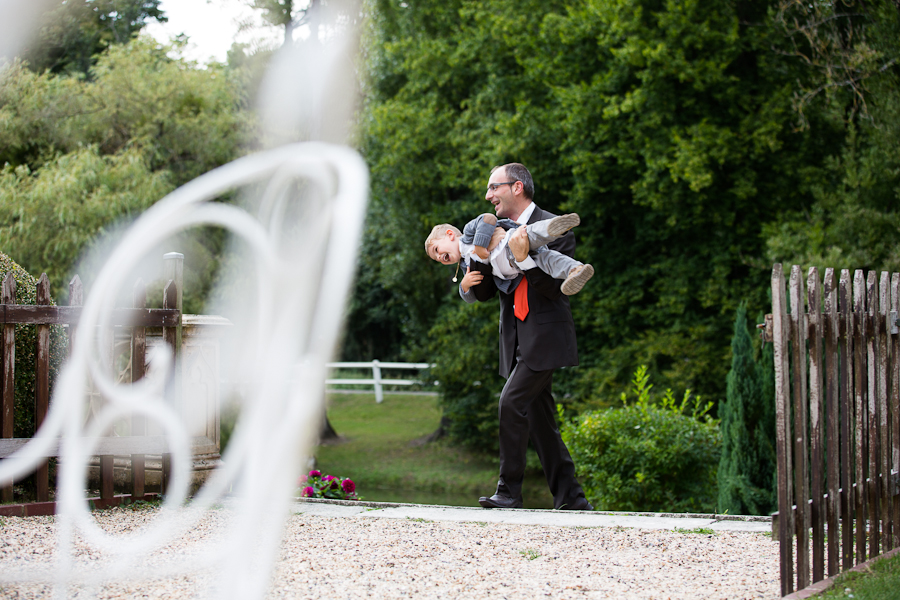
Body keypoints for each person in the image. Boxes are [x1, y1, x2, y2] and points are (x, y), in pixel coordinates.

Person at [463, 162, 593, 511]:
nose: (488, 195)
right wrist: (469, 281)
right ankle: (572, 499)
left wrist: (526, 259)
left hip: (546, 339)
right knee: (541, 422)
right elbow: (487, 291)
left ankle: (508, 492)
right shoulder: (489, 229)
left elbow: (554, 290)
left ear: (516, 187)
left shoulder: (554, 227)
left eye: (494, 187)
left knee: (510, 403)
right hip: (516, 341)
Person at [424, 212, 595, 296]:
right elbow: (477, 295)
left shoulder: (469, 233)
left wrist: (480, 245)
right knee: (547, 260)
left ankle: (554, 227)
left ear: (450, 234)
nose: (439, 258)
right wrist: (464, 287)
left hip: (509, 242)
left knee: (531, 233)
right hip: (517, 263)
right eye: (436, 259)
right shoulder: (466, 266)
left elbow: (488, 219)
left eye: (437, 250)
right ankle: (576, 270)